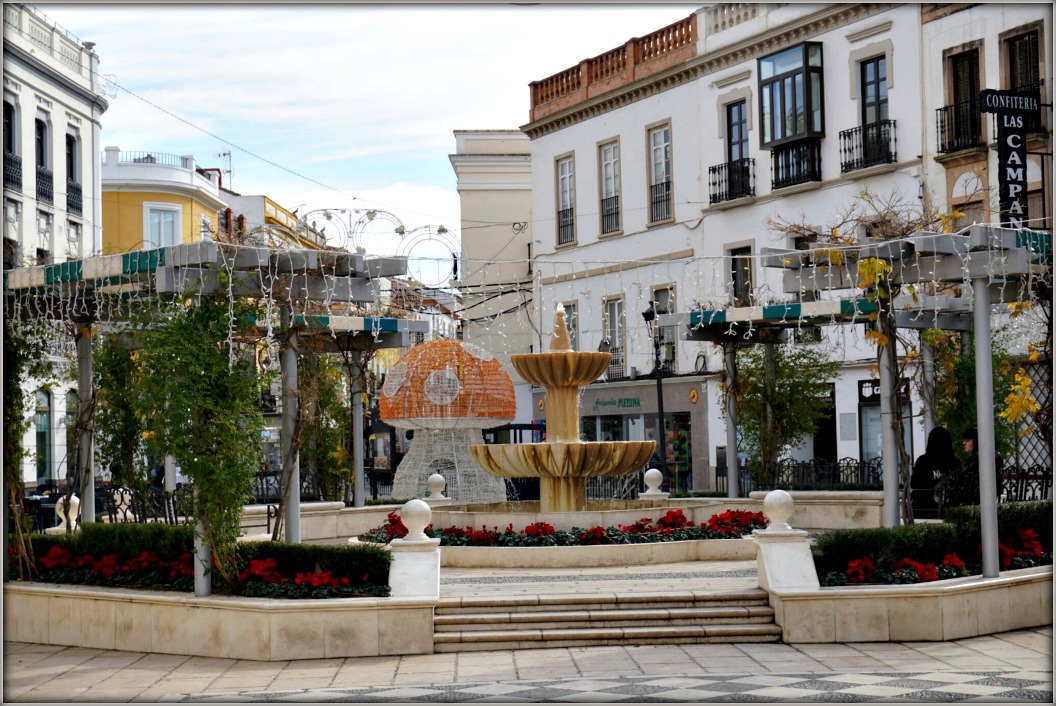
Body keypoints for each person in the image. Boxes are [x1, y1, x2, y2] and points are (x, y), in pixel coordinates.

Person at [910, 427, 960, 518]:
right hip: (948, 509)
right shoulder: (954, 462)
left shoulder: (923, 461)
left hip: (923, 509)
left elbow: (914, 483)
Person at [961, 427, 1004, 504]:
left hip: (975, 500)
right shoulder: (994, 457)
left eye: (967, 441)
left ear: (976, 441)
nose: (964, 443)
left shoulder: (978, 460)